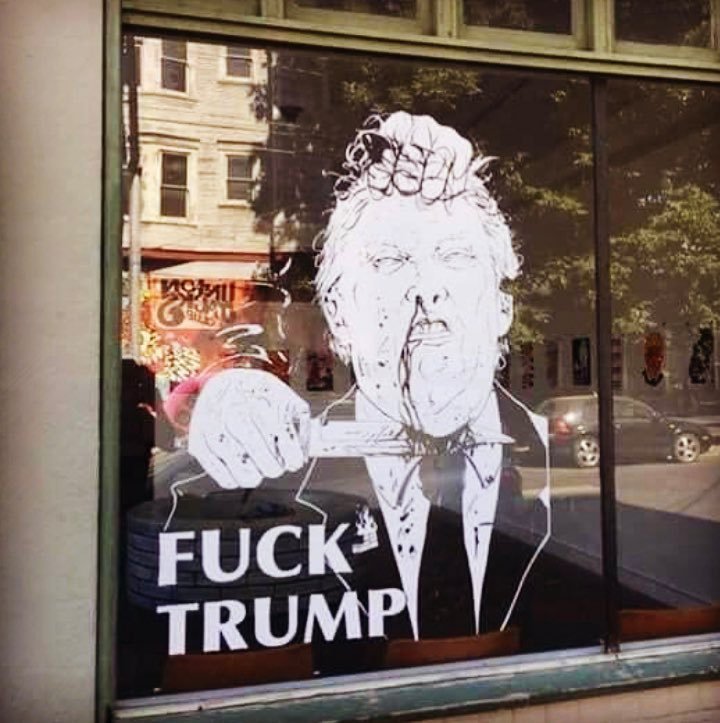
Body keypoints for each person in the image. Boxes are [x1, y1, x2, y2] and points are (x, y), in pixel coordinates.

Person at [188, 112, 550, 641]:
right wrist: (225, 413)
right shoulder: (293, 463)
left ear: (502, 308)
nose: (428, 291)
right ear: (337, 314)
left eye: (454, 256)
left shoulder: (551, 461)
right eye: (388, 262)